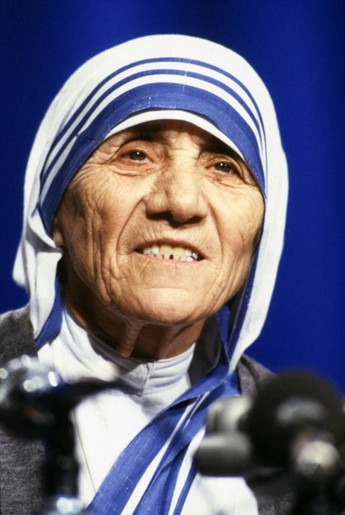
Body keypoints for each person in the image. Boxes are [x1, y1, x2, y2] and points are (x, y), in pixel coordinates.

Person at [0, 34, 290, 513]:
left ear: (261, 229)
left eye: (223, 166)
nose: (180, 202)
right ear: (54, 211)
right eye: (136, 154)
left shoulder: (300, 446)